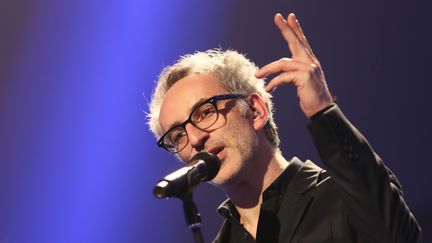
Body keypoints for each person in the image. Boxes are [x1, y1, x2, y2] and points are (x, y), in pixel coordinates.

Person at [147, 12, 421, 243]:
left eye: (205, 112)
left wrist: (323, 110)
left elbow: (397, 235)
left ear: (256, 110)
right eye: (178, 135)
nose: (194, 138)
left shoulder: (339, 197)